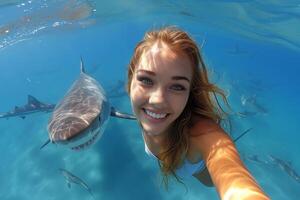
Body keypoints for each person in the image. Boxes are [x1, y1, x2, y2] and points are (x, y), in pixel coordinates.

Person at [127, 26, 269, 199]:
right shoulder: (146, 113)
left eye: (177, 86)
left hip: (201, 173)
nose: (157, 100)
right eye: (146, 80)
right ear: (130, 82)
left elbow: (237, 186)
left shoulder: (203, 135)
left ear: (189, 93)